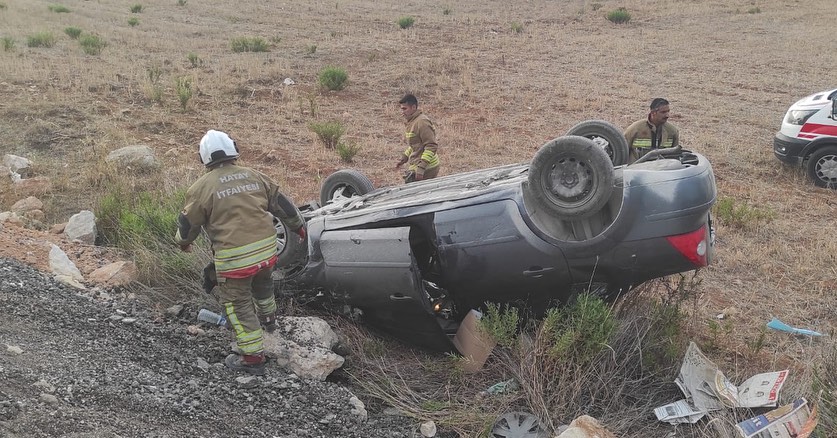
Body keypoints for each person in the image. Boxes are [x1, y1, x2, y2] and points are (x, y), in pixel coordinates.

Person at [175, 129, 305, 376]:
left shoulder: (201, 188)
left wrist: (183, 242)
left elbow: (188, 225)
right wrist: (298, 227)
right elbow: (283, 204)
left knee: (238, 304)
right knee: (263, 285)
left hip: (235, 260)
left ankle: (252, 357)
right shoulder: (254, 176)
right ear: (233, 150)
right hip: (267, 252)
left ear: (204, 158)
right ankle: (269, 321)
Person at [395, 94, 440, 183]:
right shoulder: (412, 121)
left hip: (428, 167)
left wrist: (421, 167)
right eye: (401, 109)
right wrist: (404, 157)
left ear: (414, 107)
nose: (402, 112)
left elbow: (431, 146)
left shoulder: (422, 122)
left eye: (405, 109)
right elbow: (416, 144)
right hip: (417, 164)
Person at [624, 97, 680, 162]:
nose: (667, 115)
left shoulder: (672, 131)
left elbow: (674, 155)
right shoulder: (635, 129)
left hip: (662, 170)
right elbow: (621, 151)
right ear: (653, 113)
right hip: (637, 169)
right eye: (663, 112)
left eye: (668, 111)